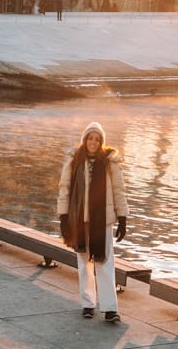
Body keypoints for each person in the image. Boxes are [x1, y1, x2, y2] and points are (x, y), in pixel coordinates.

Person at [57, 122, 128, 324]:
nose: (93, 142)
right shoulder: (74, 160)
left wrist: (122, 218)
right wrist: (63, 216)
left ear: (101, 142)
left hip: (102, 221)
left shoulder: (109, 162)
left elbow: (119, 190)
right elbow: (65, 188)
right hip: (79, 220)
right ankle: (88, 304)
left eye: (97, 139)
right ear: (85, 140)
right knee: (84, 264)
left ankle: (110, 308)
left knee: (105, 263)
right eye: (90, 138)